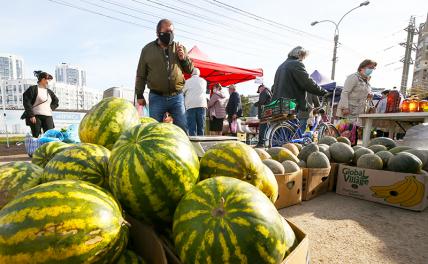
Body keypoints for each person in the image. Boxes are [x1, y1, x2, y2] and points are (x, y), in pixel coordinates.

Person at [135, 19, 194, 132]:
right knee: (153, 130)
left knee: (182, 128)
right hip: (157, 97)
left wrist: (183, 59)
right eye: (167, 31)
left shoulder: (179, 48)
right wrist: (139, 95)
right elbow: (141, 74)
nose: (170, 35)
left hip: (177, 97)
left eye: (172, 32)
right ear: (158, 33)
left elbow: (190, 70)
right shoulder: (147, 50)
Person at [271, 46, 328, 134]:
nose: (303, 59)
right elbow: (307, 83)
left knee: (281, 131)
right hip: (290, 103)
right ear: (300, 55)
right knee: (290, 134)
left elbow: (274, 87)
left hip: (278, 103)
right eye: (304, 57)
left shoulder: (281, 66)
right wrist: (323, 92)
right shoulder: (296, 64)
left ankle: (276, 146)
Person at [337, 59, 377, 145]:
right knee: (345, 137)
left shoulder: (366, 81)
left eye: (373, 68)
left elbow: (364, 94)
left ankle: (350, 155)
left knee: (353, 137)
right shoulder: (353, 77)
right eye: (370, 67)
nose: (371, 70)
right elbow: (345, 92)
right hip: (348, 111)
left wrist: (370, 95)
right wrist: (345, 107)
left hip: (358, 113)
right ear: (362, 67)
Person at [21, 71, 59, 138]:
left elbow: (56, 101)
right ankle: (36, 148)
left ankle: (47, 148)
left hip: (48, 116)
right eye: (48, 80)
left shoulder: (49, 91)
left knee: (50, 136)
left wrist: (51, 108)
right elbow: (26, 102)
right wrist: (31, 115)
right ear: (43, 79)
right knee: (36, 136)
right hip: (36, 117)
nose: (48, 82)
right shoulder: (33, 89)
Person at [183, 68, 207, 136]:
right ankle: (201, 143)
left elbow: (182, 92)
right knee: (201, 126)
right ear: (199, 73)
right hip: (201, 104)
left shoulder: (187, 82)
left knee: (191, 127)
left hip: (190, 105)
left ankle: (193, 144)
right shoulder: (204, 81)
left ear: (191, 73)